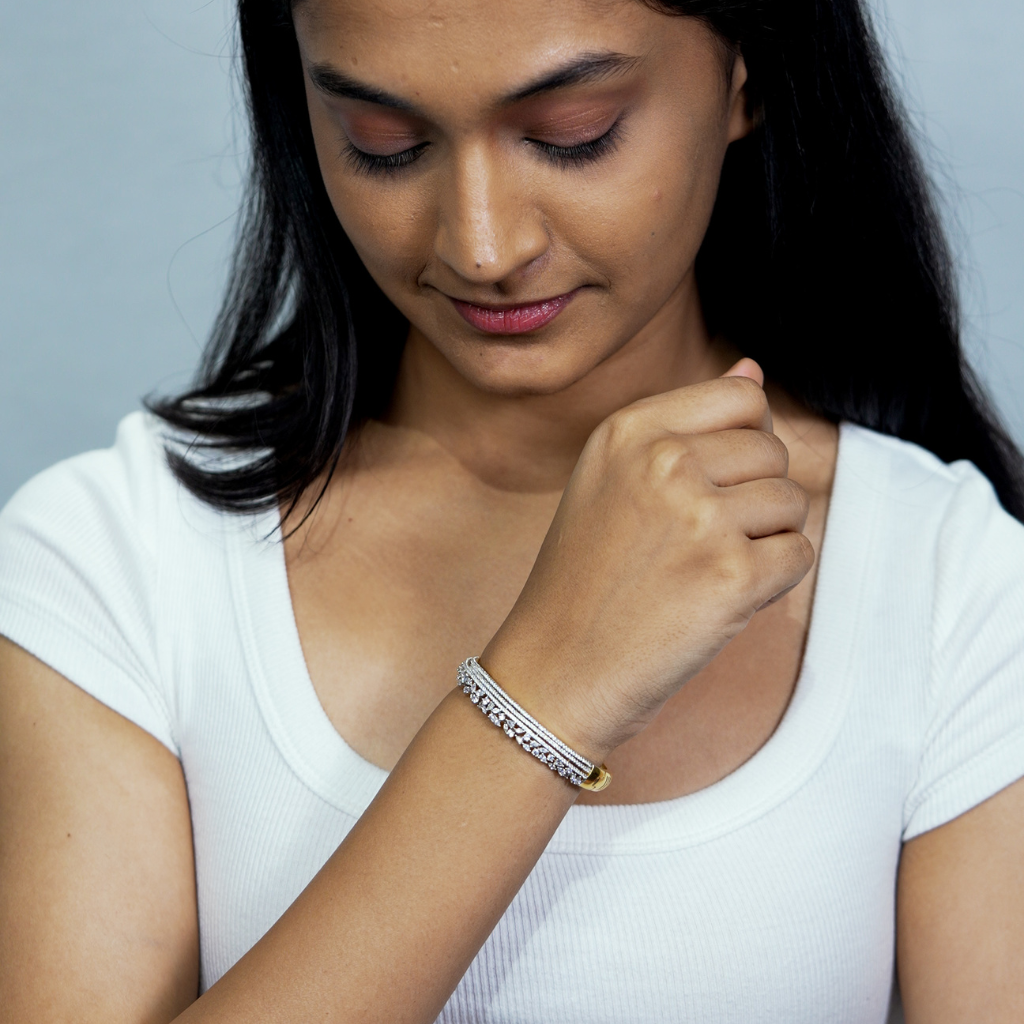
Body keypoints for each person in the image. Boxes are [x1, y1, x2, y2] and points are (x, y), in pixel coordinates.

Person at [1, 0, 1023, 1020]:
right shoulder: (116, 561)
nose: (482, 244)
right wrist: (543, 689)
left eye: (572, 135)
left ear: (747, 73)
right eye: (385, 145)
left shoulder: (949, 581)